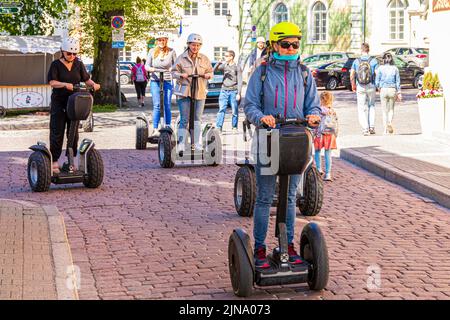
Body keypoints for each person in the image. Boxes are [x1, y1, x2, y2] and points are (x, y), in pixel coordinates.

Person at [244, 22, 321, 269]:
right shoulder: (262, 72)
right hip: (268, 139)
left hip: (296, 140)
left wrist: (314, 116)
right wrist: (261, 118)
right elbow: (250, 105)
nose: (290, 49)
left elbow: (313, 105)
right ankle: (259, 248)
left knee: (289, 198)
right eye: (286, 44)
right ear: (275, 45)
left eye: (295, 44)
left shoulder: (305, 73)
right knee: (265, 197)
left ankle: (287, 245)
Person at [47, 37, 100, 174]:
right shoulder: (55, 65)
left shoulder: (78, 63)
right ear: (63, 51)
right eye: (69, 53)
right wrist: (65, 85)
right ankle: (54, 160)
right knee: (57, 131)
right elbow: (52, 82)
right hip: (59, 102)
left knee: (73, 133)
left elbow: (86, 79)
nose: (72, 56)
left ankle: (71, 160)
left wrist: (94, 84)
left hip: (74, 103)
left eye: (74, 54)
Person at [172, 33, 213, 153]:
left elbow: (210, 72)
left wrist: (208, 75)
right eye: (193, 45)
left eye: (198, 45)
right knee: (185, 119)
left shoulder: (204, 58)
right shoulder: (181, 58)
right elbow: (173, 72)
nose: (195, 47)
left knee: (197, 119)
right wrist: (181, 75)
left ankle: (196, 143)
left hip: (199, 91)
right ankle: (181, 143)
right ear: (188, 45)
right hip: (184, 92)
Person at [146, 31, 177, 137]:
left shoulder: (171, 51)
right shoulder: (151, 51)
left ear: (166, 41)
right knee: (157, 105)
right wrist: (152, 69)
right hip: (155, 80)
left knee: (167, 104)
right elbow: (146, 66)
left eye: (163, 40)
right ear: (157, 41)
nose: (161, 42)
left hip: (167, 80)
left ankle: (167, 126)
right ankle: (155, 128)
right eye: (159, 40)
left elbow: (176, 65)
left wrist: (171, 68)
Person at [350, 43, 379, 136]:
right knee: (371, 105)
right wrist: (377, 85)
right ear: (368, 50)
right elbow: (377, 73)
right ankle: (372, 127)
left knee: (361, 108)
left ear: (361, 50)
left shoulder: (356, 61)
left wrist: (353, 85)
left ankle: (365, 129)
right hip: (371, 85)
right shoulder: (373, 61)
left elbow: (352, 75)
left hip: (360, 86)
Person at [214, 50, 243, 133]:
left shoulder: (237, 67)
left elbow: (240, 80)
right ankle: (219, 127)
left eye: (227, 56)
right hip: (223, 90)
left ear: (231, 57)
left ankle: (234, 127)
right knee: (221, 109)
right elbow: (214, 70)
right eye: (225, 55)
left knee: (234, 110)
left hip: (233, 91)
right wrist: (218, 63)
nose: (225, 57)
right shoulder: (224, 65)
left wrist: (239, 93)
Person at [313, 91, 338, 182]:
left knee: (317, 151)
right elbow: (336, 123)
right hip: (330, 134)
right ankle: (328, 173)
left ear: (321, 99)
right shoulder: (332, 111)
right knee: (328, 153)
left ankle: (319, 168)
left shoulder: (319, 110)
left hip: (320, 133)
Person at [375, 52, 401, 135]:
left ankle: (385, 130)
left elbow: (377, 81)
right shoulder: (395, 68)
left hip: (383, 89)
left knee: (384, 110)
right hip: (392, 89)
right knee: (391, 109)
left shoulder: (380, 68)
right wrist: (399, 92)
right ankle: (389, 122)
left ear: (384, 60)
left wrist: (379, 88)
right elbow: (398, 82)